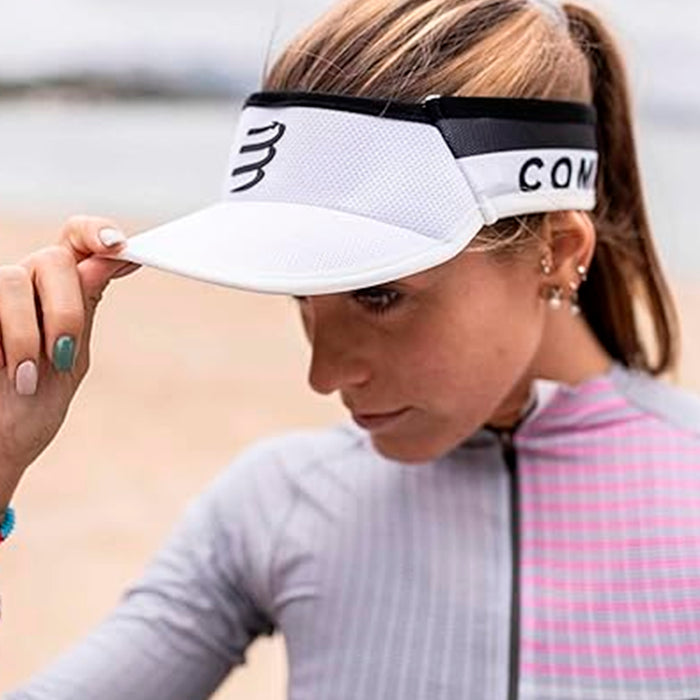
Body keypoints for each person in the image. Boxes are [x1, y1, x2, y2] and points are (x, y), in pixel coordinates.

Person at [3, 0, 700, 698]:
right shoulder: (276, 505)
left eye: (378, 295)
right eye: (304, 298)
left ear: (560, 250)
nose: (324, 374)